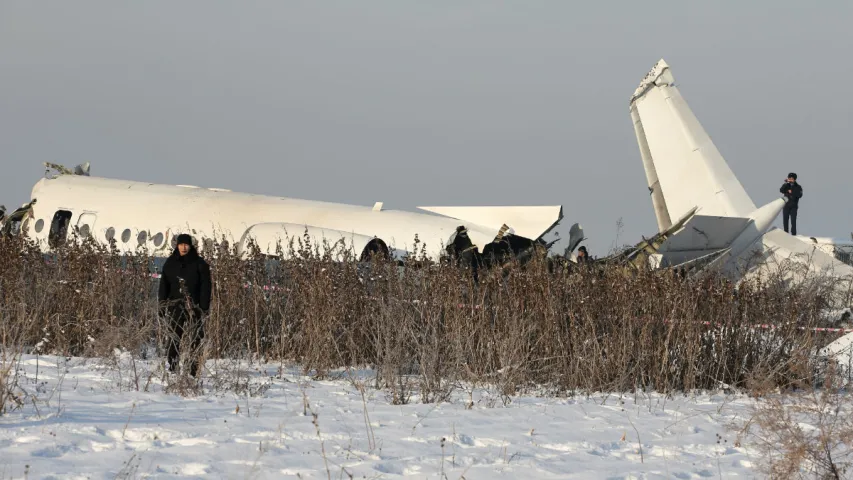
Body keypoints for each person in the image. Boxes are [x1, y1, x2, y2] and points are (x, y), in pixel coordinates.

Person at [158, 233, 212, 376]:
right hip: (175, 305)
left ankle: (193, 369)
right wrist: (162, 305)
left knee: (196, 337)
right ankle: (173, 367)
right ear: (177, 246)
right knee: (175, 337)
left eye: (186, 245)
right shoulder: (170, 263)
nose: (183, 247)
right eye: (181, 244)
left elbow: (206, 286)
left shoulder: (200, 264)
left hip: (194, 307)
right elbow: (164, 285)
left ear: (190, 246)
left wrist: (204, 307)